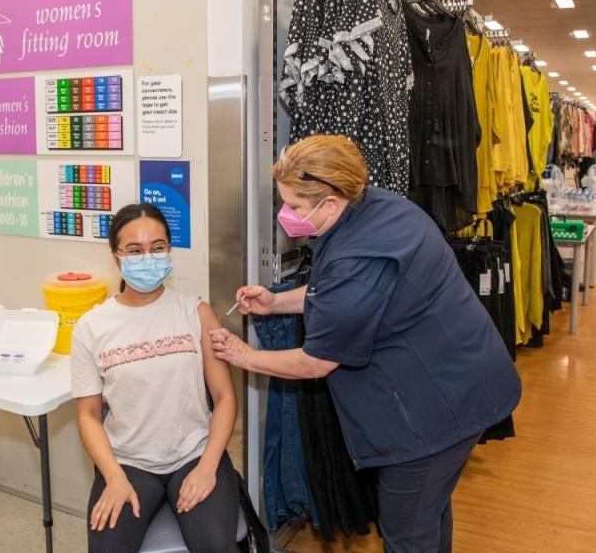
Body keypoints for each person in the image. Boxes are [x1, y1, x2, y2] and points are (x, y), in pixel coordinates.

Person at [210, 135, 521, 553]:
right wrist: (275, 303)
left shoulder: (358, 255)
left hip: (436, 412)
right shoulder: (377, 206)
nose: (287, 215)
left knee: (407, 530)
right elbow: (341, 296)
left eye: (296, 207)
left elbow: (317, 361)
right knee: (429, 513)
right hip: (466, 377)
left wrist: (246, 357)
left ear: (332, 203)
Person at [71, 203, 240, 553]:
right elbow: (88, 415)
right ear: (116, 257)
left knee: (214, 546)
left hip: (195, 453)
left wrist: (208, 467)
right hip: (128, 461)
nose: (148, 257)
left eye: (158, 247)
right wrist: (113, 476)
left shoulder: (195, 311)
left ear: (169, 250)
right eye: (134, 250)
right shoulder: (91, 327)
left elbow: (224, 398)